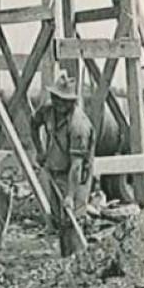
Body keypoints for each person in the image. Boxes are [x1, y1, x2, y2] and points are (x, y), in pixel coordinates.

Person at [30, 70, 96, 257]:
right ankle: (65, 258)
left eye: (62, 100)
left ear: (71, 102)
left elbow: (76, 165)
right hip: (55, 169)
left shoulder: (79, 125)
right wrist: (40, 150)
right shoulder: (48, 110)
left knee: (74, 217)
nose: (57, 102)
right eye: (55, 97)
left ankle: (78, 258)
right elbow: (33, 124)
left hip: (76, 175)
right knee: (59, 218)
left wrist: (70, 195)